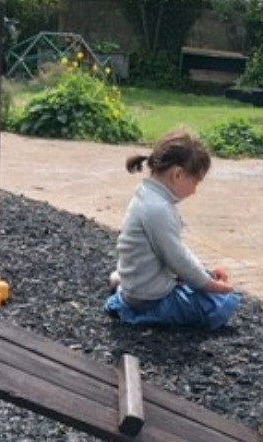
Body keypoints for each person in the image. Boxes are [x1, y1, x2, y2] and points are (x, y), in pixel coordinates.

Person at [104, 130, 243, 330]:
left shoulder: (147, 195)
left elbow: (175, 251)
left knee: (194, 281)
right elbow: (177, 258)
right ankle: (132, 309)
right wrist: (210, 285)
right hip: (149, 297)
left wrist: (206, 273)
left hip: (140, 283)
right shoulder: (158, 209)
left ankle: (122, 289)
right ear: (177, 174)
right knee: (217, 304)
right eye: (195, 182)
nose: (195, 191)